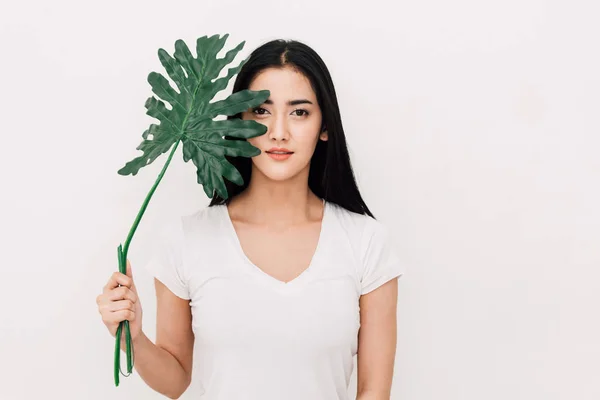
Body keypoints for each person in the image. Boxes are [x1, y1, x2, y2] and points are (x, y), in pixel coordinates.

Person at [97, 38, 405, 400]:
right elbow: (176, 379)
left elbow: (373, 391)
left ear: (325, 127)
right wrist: (133, 336)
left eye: (299, 112)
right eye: (261, 111)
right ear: (239, 122)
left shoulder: (366, 242)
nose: (278, 132)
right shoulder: (186, 240)